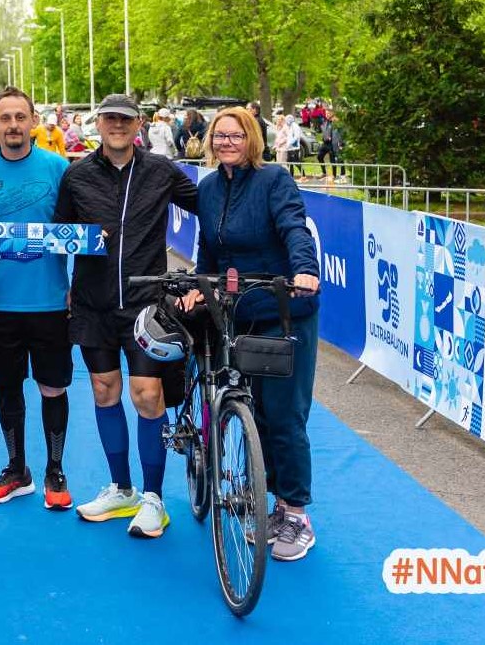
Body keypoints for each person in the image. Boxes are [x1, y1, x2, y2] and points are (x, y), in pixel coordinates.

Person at [178, 106, 321, 562]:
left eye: (236, 135)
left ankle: (296, 513)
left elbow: (294, 228)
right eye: (220, 135)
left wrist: (304, 270)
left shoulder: (274, 180)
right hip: (238, 316)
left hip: (283, 311)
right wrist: (200, 287)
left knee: (285, 417)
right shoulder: (208, 188)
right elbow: (209, 251)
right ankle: (271, 503)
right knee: (256, 414)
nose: (226, 142)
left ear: (252, 140)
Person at [56, 93, 199, 539]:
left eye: (125, 119)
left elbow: (211, 209)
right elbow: (60, 231)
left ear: (139, 125)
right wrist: (80, 236)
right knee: (104, 390)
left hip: (146, 305)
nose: (117, 125)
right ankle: (122, 489)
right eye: (109, 119)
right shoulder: (77, 174)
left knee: (147, 395)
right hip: (93, 303)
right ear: (98, 124)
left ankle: (154, 498)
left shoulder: (161, 171)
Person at [0, 88, 74, 510]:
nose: (13, 125)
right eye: (5, 118)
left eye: (20, 117)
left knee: (52, 388)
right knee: (8, 388)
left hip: (49, 301)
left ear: (33, 122)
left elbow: (78, 233)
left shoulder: (58, 168)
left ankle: (55, 470)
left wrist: (76, 289)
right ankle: (16, 469)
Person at [316, 109, 344, 182]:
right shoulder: (326, 122)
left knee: (333, 160)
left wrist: (340, 143)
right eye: (326, 113)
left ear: (332, 113)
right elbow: (324, 131)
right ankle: (324, 173)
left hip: (332, 144)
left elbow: (339, 133)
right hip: (325, 143)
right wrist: (324, 137)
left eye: (328, 113)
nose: (327, 115)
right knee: (319, 156)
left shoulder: (335, 122)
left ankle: (334, 175)